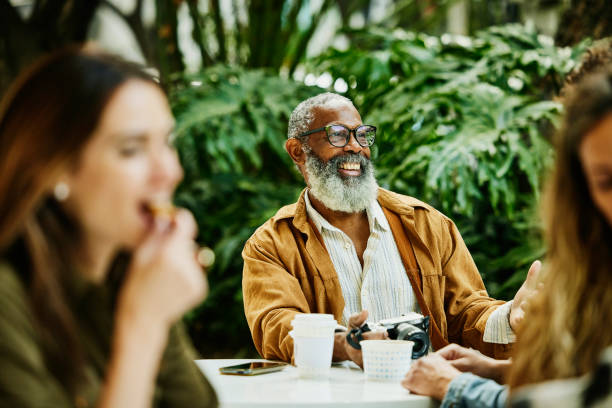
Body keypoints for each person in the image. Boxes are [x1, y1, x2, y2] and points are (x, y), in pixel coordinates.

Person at [242, 91, 540, 365]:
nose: (355, 147)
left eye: (361, 135)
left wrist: (511, 317)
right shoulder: (271, 244)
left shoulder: (427, 225)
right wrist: (344, 345)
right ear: (297, 151)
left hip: (424, 396)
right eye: (337, 135)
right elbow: (276, 325)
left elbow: (467, 313)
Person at [0, 48, 217, 407]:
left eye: (167, 143)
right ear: (56, 168)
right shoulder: (8, 300)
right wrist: (142, 324)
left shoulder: (130, 272)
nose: (170, 172)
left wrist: (156, 313)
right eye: (132, 149)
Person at [401, 63, 612, 408]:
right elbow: (592, 378)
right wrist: (500, 369)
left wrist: (457, 386)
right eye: (603, 180)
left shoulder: (425, 223)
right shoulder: (281, 237)